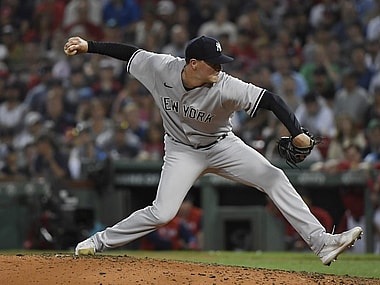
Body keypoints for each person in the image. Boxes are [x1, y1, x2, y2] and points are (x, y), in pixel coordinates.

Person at [64, 34, 362, 265]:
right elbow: (127, 52)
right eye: (214, 63)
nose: (220, 68)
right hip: (181, 150)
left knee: (273, 177)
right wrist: (88, 46)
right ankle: (99, 241)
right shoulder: (161, 67)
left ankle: (322, 243)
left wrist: (296, 131)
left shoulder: (225, 85)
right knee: (163, 212)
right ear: (193, 63)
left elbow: (270, 99)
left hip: (222, 146)